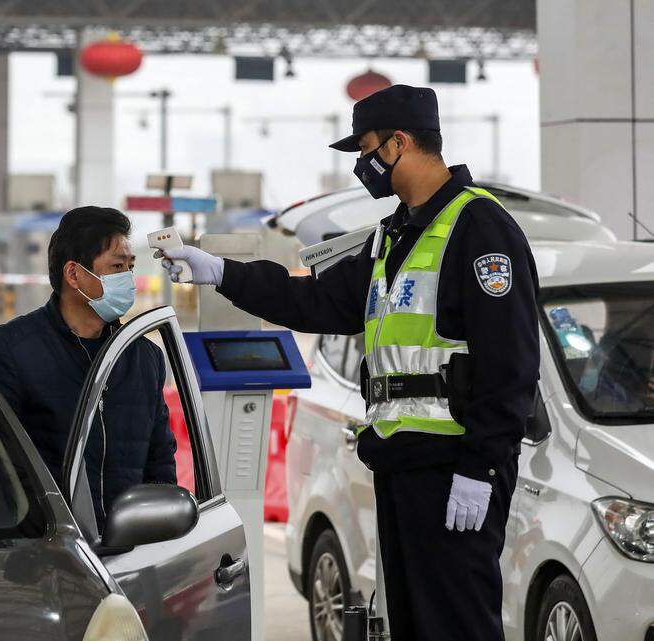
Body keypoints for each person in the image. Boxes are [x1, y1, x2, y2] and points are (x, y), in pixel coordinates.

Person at [158, 85, 538, 641]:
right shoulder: (394, 235)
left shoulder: (479, 228)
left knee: (455, 625)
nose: (362, 165)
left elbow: (511, 364)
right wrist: (219, 271)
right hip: (400, 464)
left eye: (366, 149)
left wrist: (481, 468)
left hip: (453, 469)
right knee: (413, 625)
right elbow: (316, 300)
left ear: (399, 144)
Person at [0, 206, 176, 526]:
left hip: (130, 547)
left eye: (130, 267)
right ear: (74, 274)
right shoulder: (7, 352)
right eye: (117, 266)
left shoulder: (143, 357)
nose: (128, 279)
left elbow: (160, 464)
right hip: (48, 546)